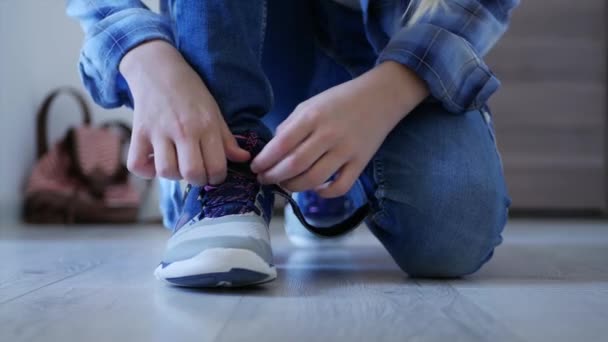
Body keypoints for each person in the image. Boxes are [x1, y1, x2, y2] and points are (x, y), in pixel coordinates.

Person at [67, 0, 517, 287]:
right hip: (236, 38)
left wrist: (393, 87)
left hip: (385, 37)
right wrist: (140, 53)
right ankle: (223, 181)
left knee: (453, 230)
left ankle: (324, 179)